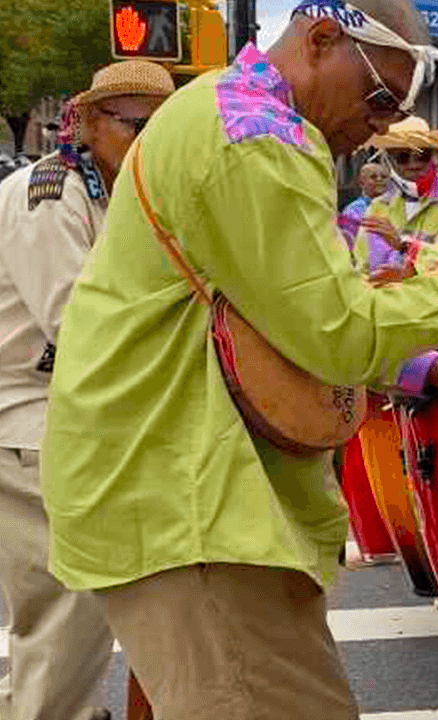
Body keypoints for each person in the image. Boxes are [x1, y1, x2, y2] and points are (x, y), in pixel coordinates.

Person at [38, 0, 438, 716]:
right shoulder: (257, 139)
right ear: (321, 39)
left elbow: (304, 295)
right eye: (381, 95)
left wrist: (436, 351)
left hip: (179, 495)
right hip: (189, 500)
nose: (384, 123)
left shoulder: (230, 114)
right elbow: (338, 330)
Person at [0, 60, 174, 720]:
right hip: (32, 419)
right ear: (93, 122)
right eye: (139, 125)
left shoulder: (113, 189)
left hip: (80, 415)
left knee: (65, 614)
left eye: (164, 127)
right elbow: (77, 325)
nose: (152, 139)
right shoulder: (47, 193)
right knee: (68, 607)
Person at [352, 115, 438, 279]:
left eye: (422, 155)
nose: (414, 164)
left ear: (434, 155)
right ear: (388, 159)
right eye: (403, 157)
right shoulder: (378, 207)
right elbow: (362, 268)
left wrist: (406, 252)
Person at [340, 161, 389, 227]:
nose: (379, 179)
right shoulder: (355, 209)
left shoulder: (395, 205)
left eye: (383, 177)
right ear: (361, 183)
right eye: (373, 177)